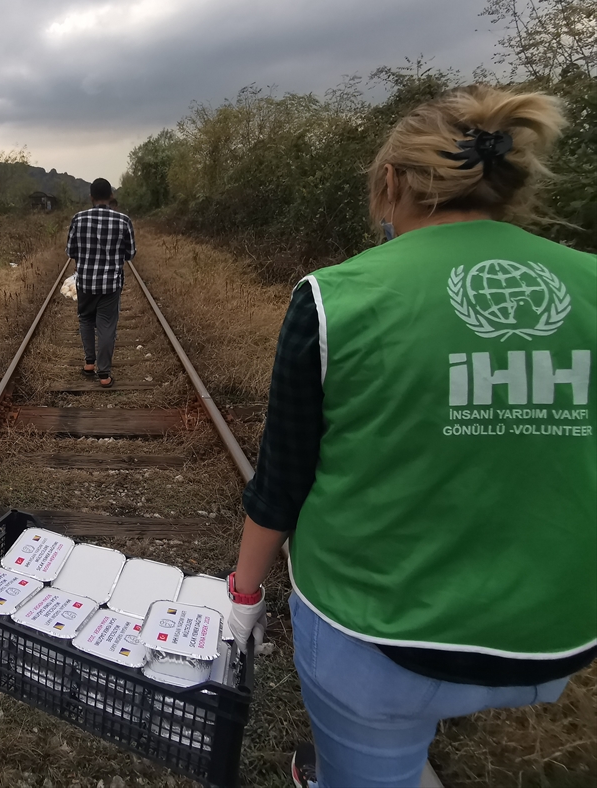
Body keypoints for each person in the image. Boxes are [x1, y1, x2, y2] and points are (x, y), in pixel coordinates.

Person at [223, 85, 596, 788]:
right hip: (555, 638)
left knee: (371, 761)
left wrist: (245, 594)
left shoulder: (336, 297)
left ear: (391, 182)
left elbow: (282, 481)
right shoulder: (591, 282)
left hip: (376, 637)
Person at [65, 177, 136, 387]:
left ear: (91, 197)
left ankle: (89, 363)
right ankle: (104, 375)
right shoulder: (123, 221)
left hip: (85, 282)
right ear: (111, 196)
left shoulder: (78, 219)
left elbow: (71, 251)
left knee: (86, 319)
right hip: (111, 284)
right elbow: (130, 254)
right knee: (106, 325)